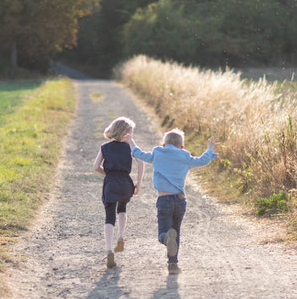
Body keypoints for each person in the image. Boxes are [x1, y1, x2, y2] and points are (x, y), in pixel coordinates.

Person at [127, 128, 218, 274]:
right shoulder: (185, 155)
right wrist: (210, 149)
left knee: (164, 233)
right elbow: (202, 161)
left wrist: (130, 140)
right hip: (180, 200)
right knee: (176, 231)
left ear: (163, 144)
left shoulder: (157, 152)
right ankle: (173, 265)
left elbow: (139, 154)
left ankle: (166, 239)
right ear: (182, 146)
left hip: (164, 200)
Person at [93, 117, 144, 268]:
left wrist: (108, 174)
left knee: (109, 215)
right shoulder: (130, 147)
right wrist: (138, 183)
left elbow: (96, 167)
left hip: (110, 183)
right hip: (125, 182)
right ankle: (121, 236)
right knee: (122, 208)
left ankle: (109, 249)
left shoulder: (105, 147)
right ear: (127, 133)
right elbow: (141, 162)